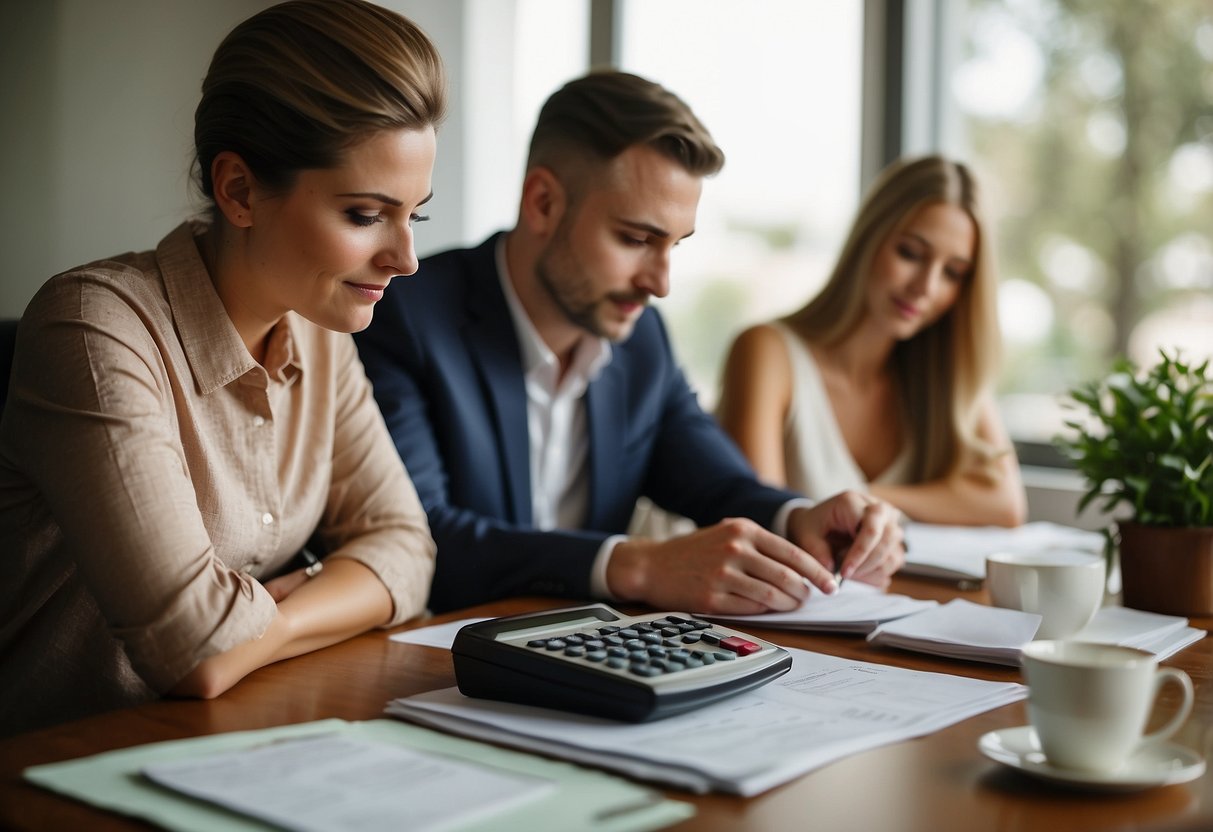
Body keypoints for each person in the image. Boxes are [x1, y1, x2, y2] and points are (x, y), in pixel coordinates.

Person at [0, 0, 444, 737]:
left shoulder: (321, 328)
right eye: (366, 215)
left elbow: (407, 550)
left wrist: (262, 619)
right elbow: (195, 652)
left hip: (238, 740)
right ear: (238, 190)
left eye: (415, 215)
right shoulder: (92, 328)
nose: (406, 258)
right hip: (54, 766)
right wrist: (320, 591)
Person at [354, 70, 905, 616]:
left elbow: (718, 484)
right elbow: (422, 539)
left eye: (674, 245)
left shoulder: (642, 339)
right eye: (637, 240)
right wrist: (636, 566)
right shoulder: (403, 317)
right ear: (543, 202)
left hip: (593, 661)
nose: (659, 283)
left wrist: (801, 517)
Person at [717, 155, 1027, 528]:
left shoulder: (943, 372)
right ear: (868, 239)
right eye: (910, 253)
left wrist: (868, 497)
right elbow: (756, 524)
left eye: (952, 273)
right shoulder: (767, 351)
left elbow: (1006, 504)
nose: (925, 288)